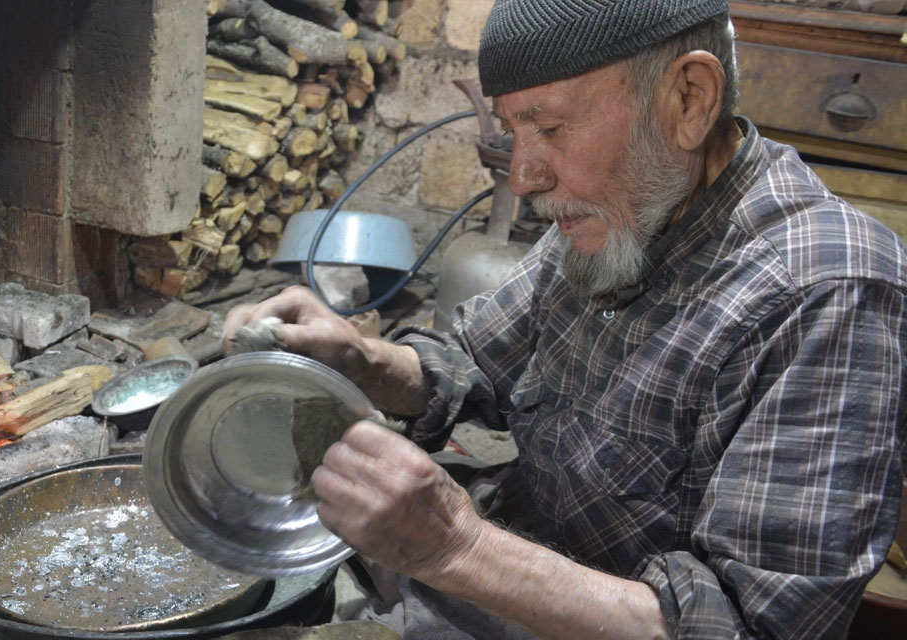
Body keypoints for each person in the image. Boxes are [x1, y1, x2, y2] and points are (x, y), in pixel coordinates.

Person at [222, 0, 907, 638]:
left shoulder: (827, 289)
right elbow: (473, 364)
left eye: (549, 128)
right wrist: (361, 358)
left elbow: (751, 627)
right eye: (514, 131)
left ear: (689, 99)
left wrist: (456, 546)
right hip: (504, 561)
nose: (524, 178)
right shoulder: (619, 208)